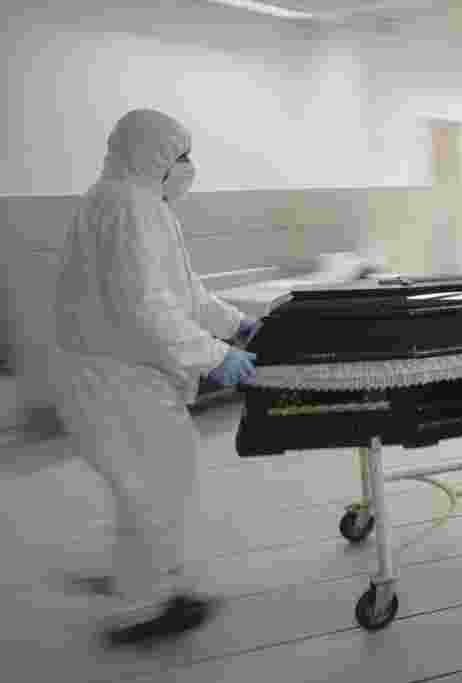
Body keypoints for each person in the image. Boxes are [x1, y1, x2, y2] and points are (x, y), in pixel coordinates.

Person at [53, 109, 259, 647]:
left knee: (148, 487)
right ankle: (142, 609)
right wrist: (215, 355)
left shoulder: (131, 200)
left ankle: (142, 582)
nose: (189, 167)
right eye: (182, 156)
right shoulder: (129, 206)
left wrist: (236, 323)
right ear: (153, 155)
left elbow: (181, 293)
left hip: (116, 372)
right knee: (157, 486)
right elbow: (144, 308)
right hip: (117, 378)